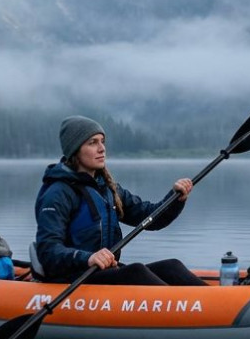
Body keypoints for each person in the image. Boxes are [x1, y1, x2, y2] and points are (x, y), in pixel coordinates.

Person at [33, 115, 207, 286]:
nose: (101, 148)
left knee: (171, 267)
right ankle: (185, 310)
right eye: (92, 142)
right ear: (75, 150)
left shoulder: (107, 188)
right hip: (72, 279)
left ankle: (215, 307)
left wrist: (175, 198)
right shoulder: (57, 193)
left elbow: (150, 217)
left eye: (102, 141)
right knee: (136, 272)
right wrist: (89, 257)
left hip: (103, 273)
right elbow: (48, 251)